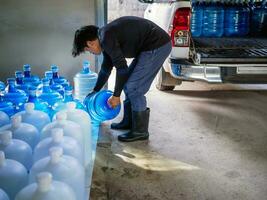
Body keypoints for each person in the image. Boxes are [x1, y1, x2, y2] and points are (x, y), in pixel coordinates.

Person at [72, 16, 171, 142]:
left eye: (87, 50)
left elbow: (122, 68)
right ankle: (129, 122)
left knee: (134, 88)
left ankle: (140, 131)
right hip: (148, 47)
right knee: (127, 85)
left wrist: (116, 96)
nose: (90, 52)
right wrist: (95, 91)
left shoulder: (106, 37)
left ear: (90, 43)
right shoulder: (104, 37)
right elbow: (105, 69)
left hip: (157, 45)